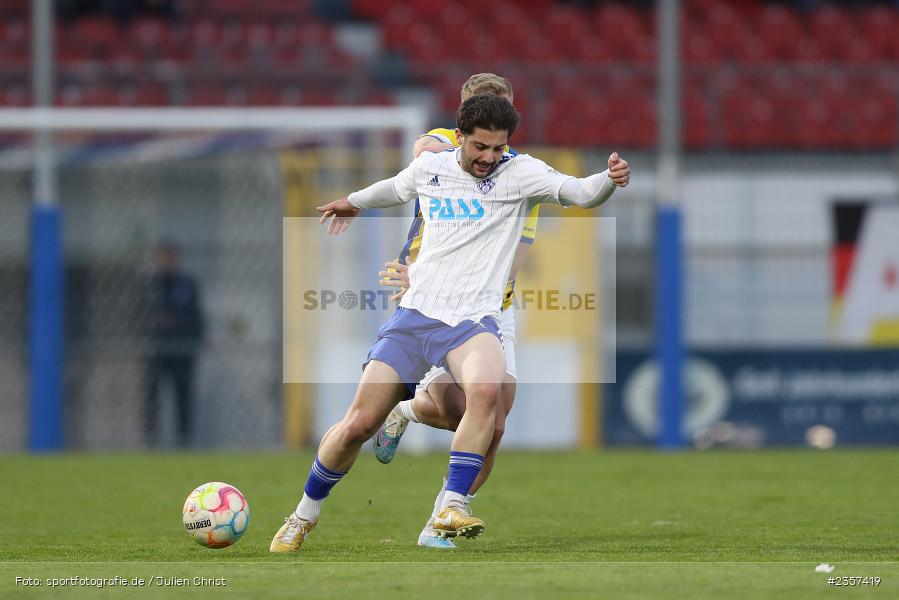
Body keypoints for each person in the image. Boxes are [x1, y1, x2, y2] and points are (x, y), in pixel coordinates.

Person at [271, 93, 630, 553]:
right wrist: (353, 202)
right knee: (359, 423)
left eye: (498, 148)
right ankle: (303, 515)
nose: (490, 158)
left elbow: (579, 192)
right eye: (481, 147)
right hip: (415, 317)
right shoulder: (432, 167)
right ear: (459, 137)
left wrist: (608, 179)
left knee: (486, 394)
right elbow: (395, 187)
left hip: (473, 323)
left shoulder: (521, 173)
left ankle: (450, 506)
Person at [371, 73, 539, 549]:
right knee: (462, 410)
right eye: (485, 108)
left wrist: (495, 289)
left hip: (492, 309)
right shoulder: (444, 147)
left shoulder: (519, 171)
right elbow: (424, 150)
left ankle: (439, 519)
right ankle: (404, 409)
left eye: (503, 110)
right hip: (435, 299)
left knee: (496, 424)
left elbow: (522, 245)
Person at [145, 241, 204, 448]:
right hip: (156, 351)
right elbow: (140, 316)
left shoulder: (187, 284)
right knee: (151, 398)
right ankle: (150, 441)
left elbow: (196, 317)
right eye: (161, 257)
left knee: (183, 397)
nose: (164, 262)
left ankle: (184, 441)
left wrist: (191, 338)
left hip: (181, 350)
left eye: (168, 257)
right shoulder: (150, 285)